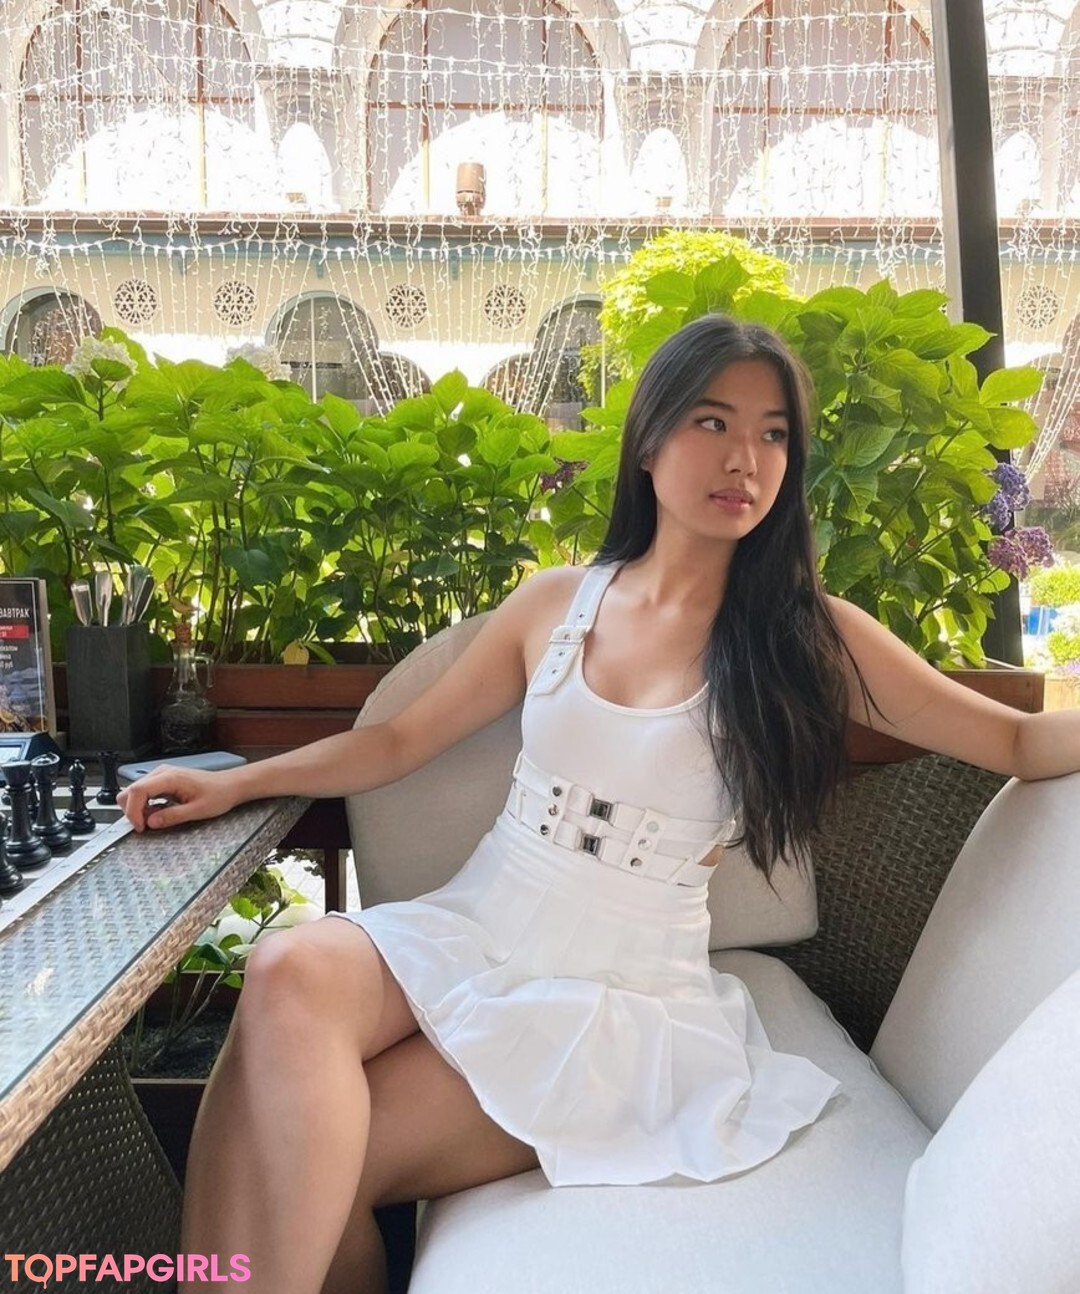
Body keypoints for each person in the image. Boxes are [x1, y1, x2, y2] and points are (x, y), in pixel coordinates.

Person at [119, 314, 1080, 1294]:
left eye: (774, 433)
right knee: (287, 972)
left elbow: (1012, 741)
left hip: (617, 999)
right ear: (649, 441)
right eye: (713, 422)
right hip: (475, 926)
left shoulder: (808, 636)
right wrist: (237, 780)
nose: (745, 458)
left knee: (320, 1155)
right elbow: (397, 742)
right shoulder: (555, 604)